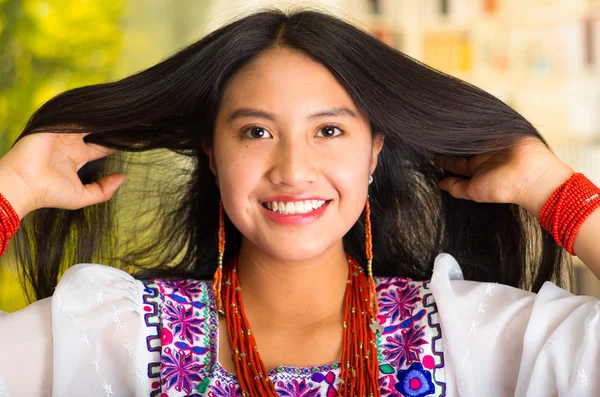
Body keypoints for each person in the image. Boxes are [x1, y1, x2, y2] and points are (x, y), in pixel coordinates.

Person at [0, 6, 599, 397]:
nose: (292, 170)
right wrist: (15, 188)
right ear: (213, 153)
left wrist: (554, 191)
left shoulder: (468, 335)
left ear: (373, 152)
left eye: (329, 131)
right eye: (256, 132)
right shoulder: (120, 336)